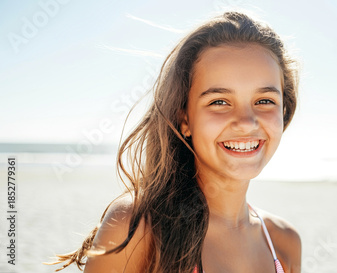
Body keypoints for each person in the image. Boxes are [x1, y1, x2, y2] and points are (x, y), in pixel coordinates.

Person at [48, 11, 301, 273]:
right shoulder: (137, 229)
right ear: (185, 119)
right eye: (219, 102)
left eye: (264, 101)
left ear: (284, 109)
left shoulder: (284, 243)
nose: (247, 122)